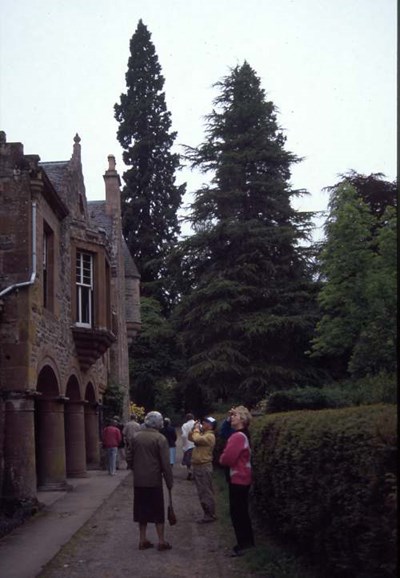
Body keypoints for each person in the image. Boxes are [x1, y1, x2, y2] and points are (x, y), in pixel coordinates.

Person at [126, 410, 173, 551]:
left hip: (139, 481)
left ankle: (142, 539)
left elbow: (129, 456)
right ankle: (161, 541)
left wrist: (135, 468)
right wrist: (169, 482)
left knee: (141, 510)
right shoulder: (160, 439)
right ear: (158, 423)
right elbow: (165, 463)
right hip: (154, 481)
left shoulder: (135, 437)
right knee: (158, 511)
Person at [219, 405, 254, 557]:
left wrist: (221, 458)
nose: (232, 417)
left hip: (238, 478)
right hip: (243, 477)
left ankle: (243, 544)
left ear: (242, 419)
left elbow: (227, 458)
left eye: (235, 415)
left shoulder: (237, 437)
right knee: (242, 511)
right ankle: (247, 542)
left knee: (238, 512)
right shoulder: (242, 434)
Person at [189, 416, 217, 523]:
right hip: (200, 466)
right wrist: (194, 429)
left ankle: (210, 514)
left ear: (210, 425)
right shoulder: (204, 434)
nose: (202, 424)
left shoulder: (210, 436)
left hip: (203, 466)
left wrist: (196, 430)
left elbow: (196, 439)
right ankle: (208, 513)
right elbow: (191, 438)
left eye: (204, 422)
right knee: (202, 491)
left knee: (205, 491)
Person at [181, 413, 195, 480]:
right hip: (196, 444)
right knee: (195, 460)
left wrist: (184, 445)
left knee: (188, 460)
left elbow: (184, 436)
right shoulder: (198, 424)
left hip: (188, 445)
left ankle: (189, 471)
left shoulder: (185, 425)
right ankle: (195, 472)